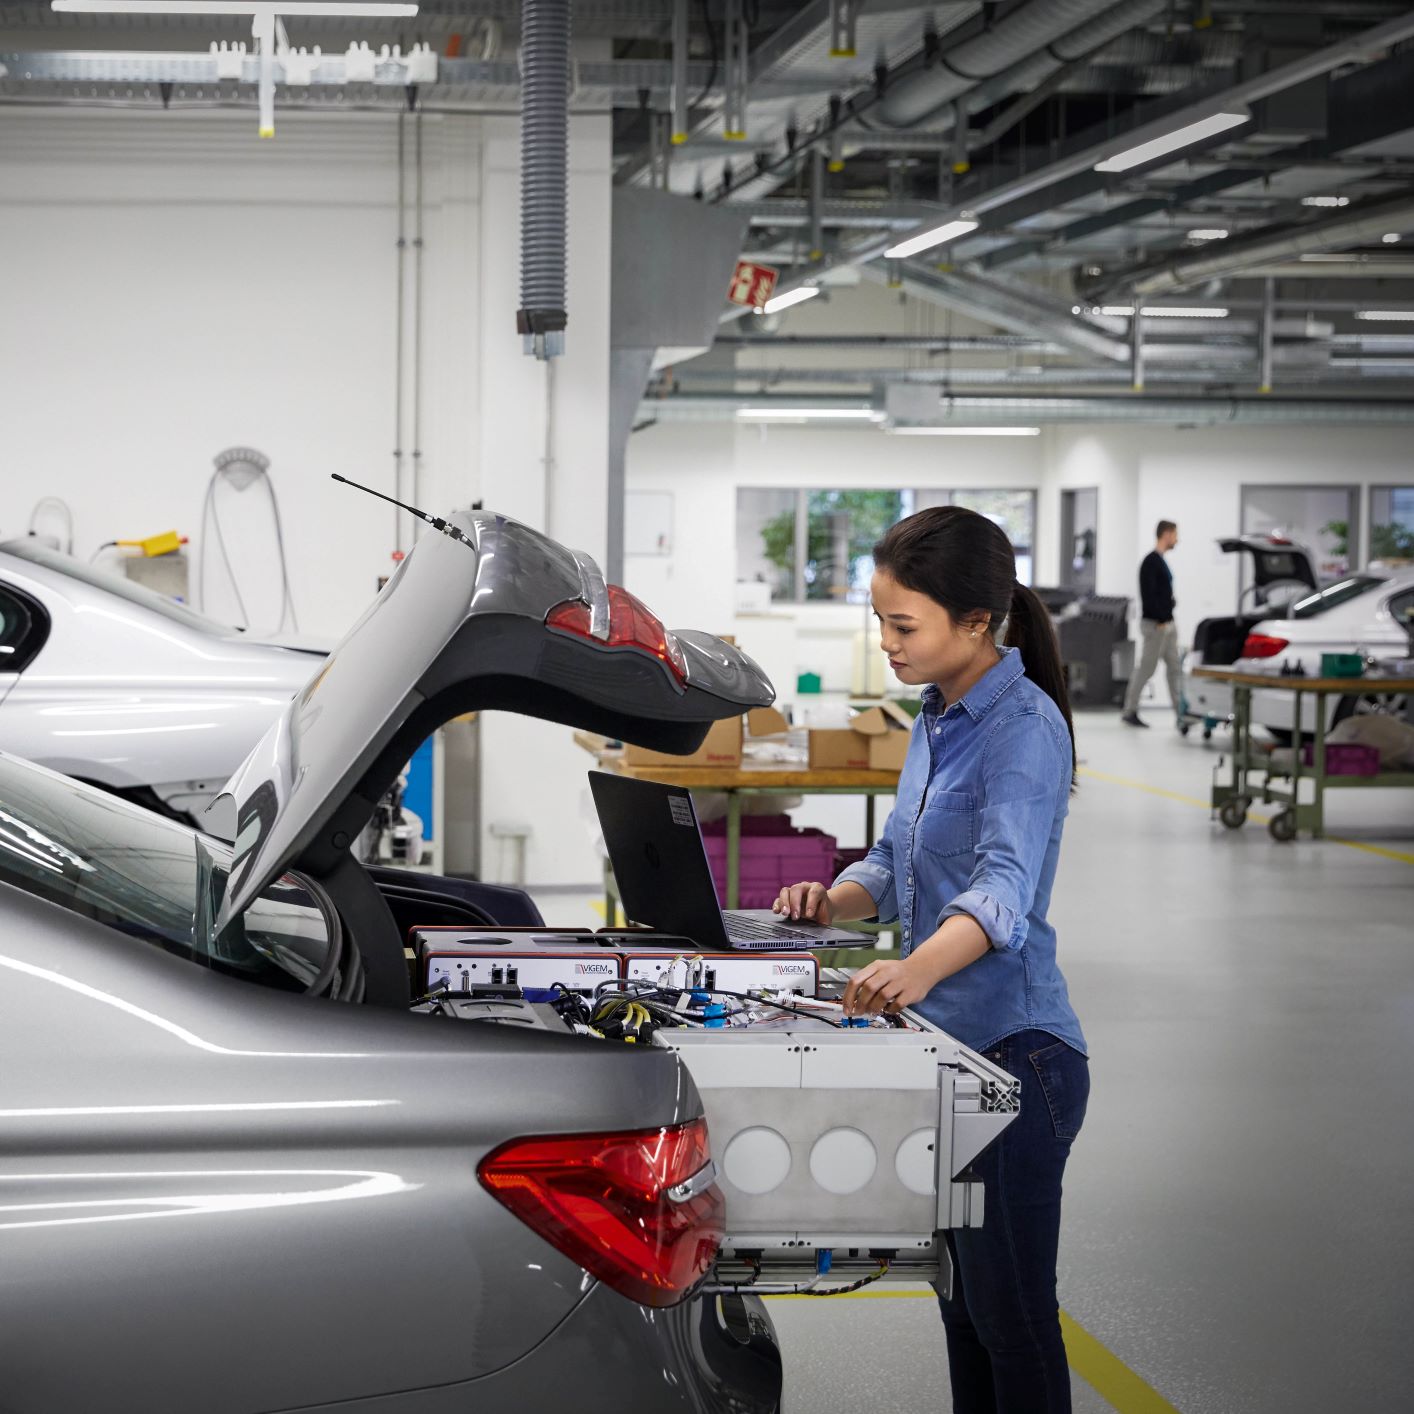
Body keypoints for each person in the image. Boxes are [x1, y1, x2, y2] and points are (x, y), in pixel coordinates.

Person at [773, 506, 1088, 1414]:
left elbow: (1001, 893)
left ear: (978, 622)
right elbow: (893, 859)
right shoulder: (935, 714)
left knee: (1015, 1317)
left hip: (1017, 1057)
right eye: (880, 620)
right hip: (945, 1053)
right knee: (963, 1311)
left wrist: (917, 969)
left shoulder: (1023, 727)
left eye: (902, 624)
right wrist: (829, 900)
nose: (887, 643)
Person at [1121, 520, 1181, 727]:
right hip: (1156, 625)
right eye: (1175, 534)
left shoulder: (1161, 561)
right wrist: (1161, 619)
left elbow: (1162, 593)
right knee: (1146, 668)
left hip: (1167, 624)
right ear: (1166, 534)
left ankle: (1181, 713)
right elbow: (1148, 596)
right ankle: (1130, 710)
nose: (1177, 539)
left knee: (1175, 668)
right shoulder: (1150, 562)